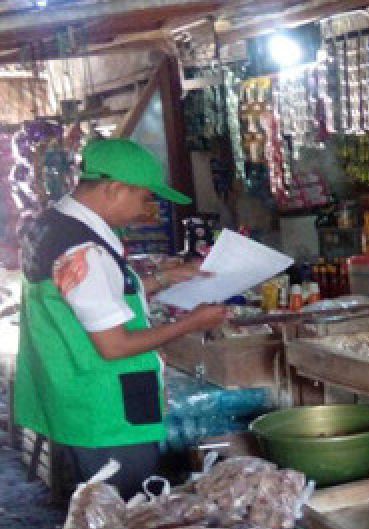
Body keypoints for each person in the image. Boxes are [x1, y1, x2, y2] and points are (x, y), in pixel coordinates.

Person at [14, 138, 228, 499]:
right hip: (107, 409)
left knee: (98, 506)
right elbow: (114, 345)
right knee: (125, 511)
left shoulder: (52, 224)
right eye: (145, 198)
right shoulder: (86, 249)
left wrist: (161, 280)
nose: (148, 211)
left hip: (73, 396)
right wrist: (192, 323)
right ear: (114, 189)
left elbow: (85, 296)